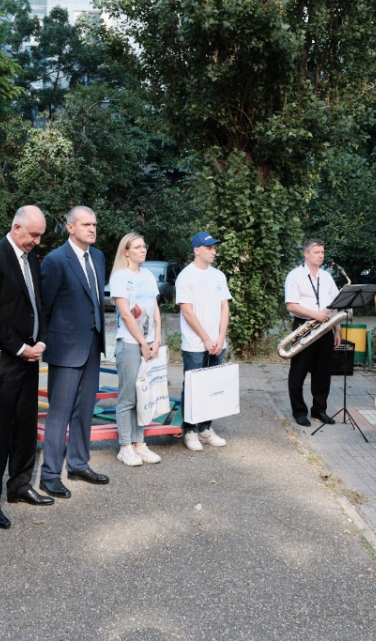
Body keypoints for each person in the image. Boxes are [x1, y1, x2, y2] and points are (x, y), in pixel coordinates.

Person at [0, 206, 54, 530]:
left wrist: (41, 340)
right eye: (33, 234)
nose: (37, 241)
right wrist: (21, 348)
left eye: (40, 236)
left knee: (25, 426)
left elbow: (38, 305)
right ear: (16, 227)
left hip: (29, 358)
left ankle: (19, 485)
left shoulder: (31, 259)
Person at [40, 206, 110, 497]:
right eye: (85, 224)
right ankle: (49, 474)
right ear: (70, 227)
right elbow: (44, 307)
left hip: (92, 345)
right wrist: (44, 343)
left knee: (84, 410)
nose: (92, 229)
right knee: (59, 414)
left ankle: (78, 464)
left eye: (94, 224)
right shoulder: (56, 260)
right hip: (65, 349)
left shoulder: (98, 257)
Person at [108, 232, 165, 464]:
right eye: (137, 247)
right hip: (130, 344)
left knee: (143, 396)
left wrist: (157, 339)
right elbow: (125, 314)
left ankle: (139, 444)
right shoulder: (120, 277)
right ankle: (125, 446)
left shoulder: (149, 275)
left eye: (144, 246)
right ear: (126, 251)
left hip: (150, 344)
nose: (143, 250)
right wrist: (143, 342)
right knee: (128, 397)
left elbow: (155, 309)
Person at [176, 231, 232, 450]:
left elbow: (224, 307)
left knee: (211, 386)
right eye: (209, 248)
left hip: (217, 342)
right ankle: (190, 430)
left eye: (214, 247)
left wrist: (220, 337)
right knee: (193, 387)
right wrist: (206, 339)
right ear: (196, 250)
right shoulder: (186, 276)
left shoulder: (218, 276)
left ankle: (206, 428)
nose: (213, 251)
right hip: (195, 344)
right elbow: (187, 312)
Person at [284, 238, 339, 427]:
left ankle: (319, 410)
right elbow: (291, 305)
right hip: (304, 327)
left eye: (322, 252)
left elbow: (336, 304)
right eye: (317, 252)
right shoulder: (294, 276)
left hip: (326, 328)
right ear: (306, 254)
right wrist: (315, 315)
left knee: (323, 372)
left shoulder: (327, 276)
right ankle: (299, 411)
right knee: (298, 372)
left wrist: (337, 330)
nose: (321, 256)